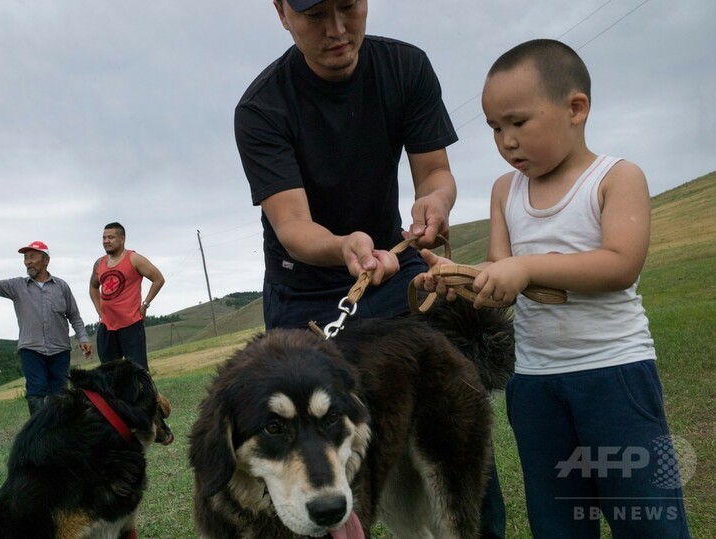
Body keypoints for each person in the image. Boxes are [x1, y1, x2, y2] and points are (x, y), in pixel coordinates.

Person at [234, 1, 505, 537]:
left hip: (392, 271)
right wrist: (342, 247)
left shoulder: (406, 68)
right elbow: (292, 224)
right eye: (315, 15)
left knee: (455, 426)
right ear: (282, 12)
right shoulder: (262, 108)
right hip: (305, 295)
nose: (338, 30)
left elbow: (435, 173)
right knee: (308, 449)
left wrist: (435, 203)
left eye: (349, 7)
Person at [415, 39, 690, 538]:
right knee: (557, 524)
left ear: (575, 108)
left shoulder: (616, 178)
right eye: (496, 129)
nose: (506, 141)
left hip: (614, 375)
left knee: (648, 518)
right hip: (536, 384)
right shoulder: (505, 191)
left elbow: (619, 264)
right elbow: (501, 275)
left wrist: (523, 268)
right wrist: (454, 276)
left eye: (518, 123)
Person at [0, 241, 93, 416]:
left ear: (46, 260)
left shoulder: (61, 287)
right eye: (26, 258)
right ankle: (38, 432)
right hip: (31, 349)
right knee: (36, 391)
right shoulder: (17, 286)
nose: (28, 262)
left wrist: (84, 338)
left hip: (59, 349)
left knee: (61, 393)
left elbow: (74, 316)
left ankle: (60, 432)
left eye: (32, 257)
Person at [89, 222, 165, 371]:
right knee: (108, 372)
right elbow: (93, 287)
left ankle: (145, 395)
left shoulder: (134, 259)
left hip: (130, 324)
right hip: (107, 327)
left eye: (110, 237)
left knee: (138, 371)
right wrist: (99, 310)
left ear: (122, 239)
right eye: (104, 238)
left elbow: (158, 279)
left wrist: (145, 304)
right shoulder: (99, 263)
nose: (106, 241)